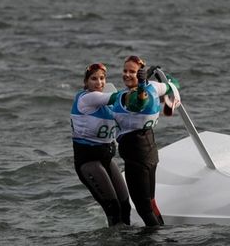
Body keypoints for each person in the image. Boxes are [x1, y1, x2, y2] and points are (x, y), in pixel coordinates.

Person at [112, 55, 180, 226]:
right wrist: (152, 75)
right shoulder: (154, 87)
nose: (127, 74)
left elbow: (139, 103)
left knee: (143, 208)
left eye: (132, 72)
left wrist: (142, 83)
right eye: (125, 70)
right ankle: (163, 235)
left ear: (139, 74)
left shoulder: (135, 95)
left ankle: (156, 240)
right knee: (150, 202)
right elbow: (173, 83)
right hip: (149, 152)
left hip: (137, 157)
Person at [71, 62, 131, 226]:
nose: (99, 83)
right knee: (113, 209)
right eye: (94, 79)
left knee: (126, 207)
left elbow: (128, 106)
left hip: (107, 158)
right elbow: (118, 97)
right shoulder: (87, 98)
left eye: (102, 78)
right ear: (86, 82)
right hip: (88, 161)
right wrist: (138, 88)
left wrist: (158, 90)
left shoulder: (107, 99)